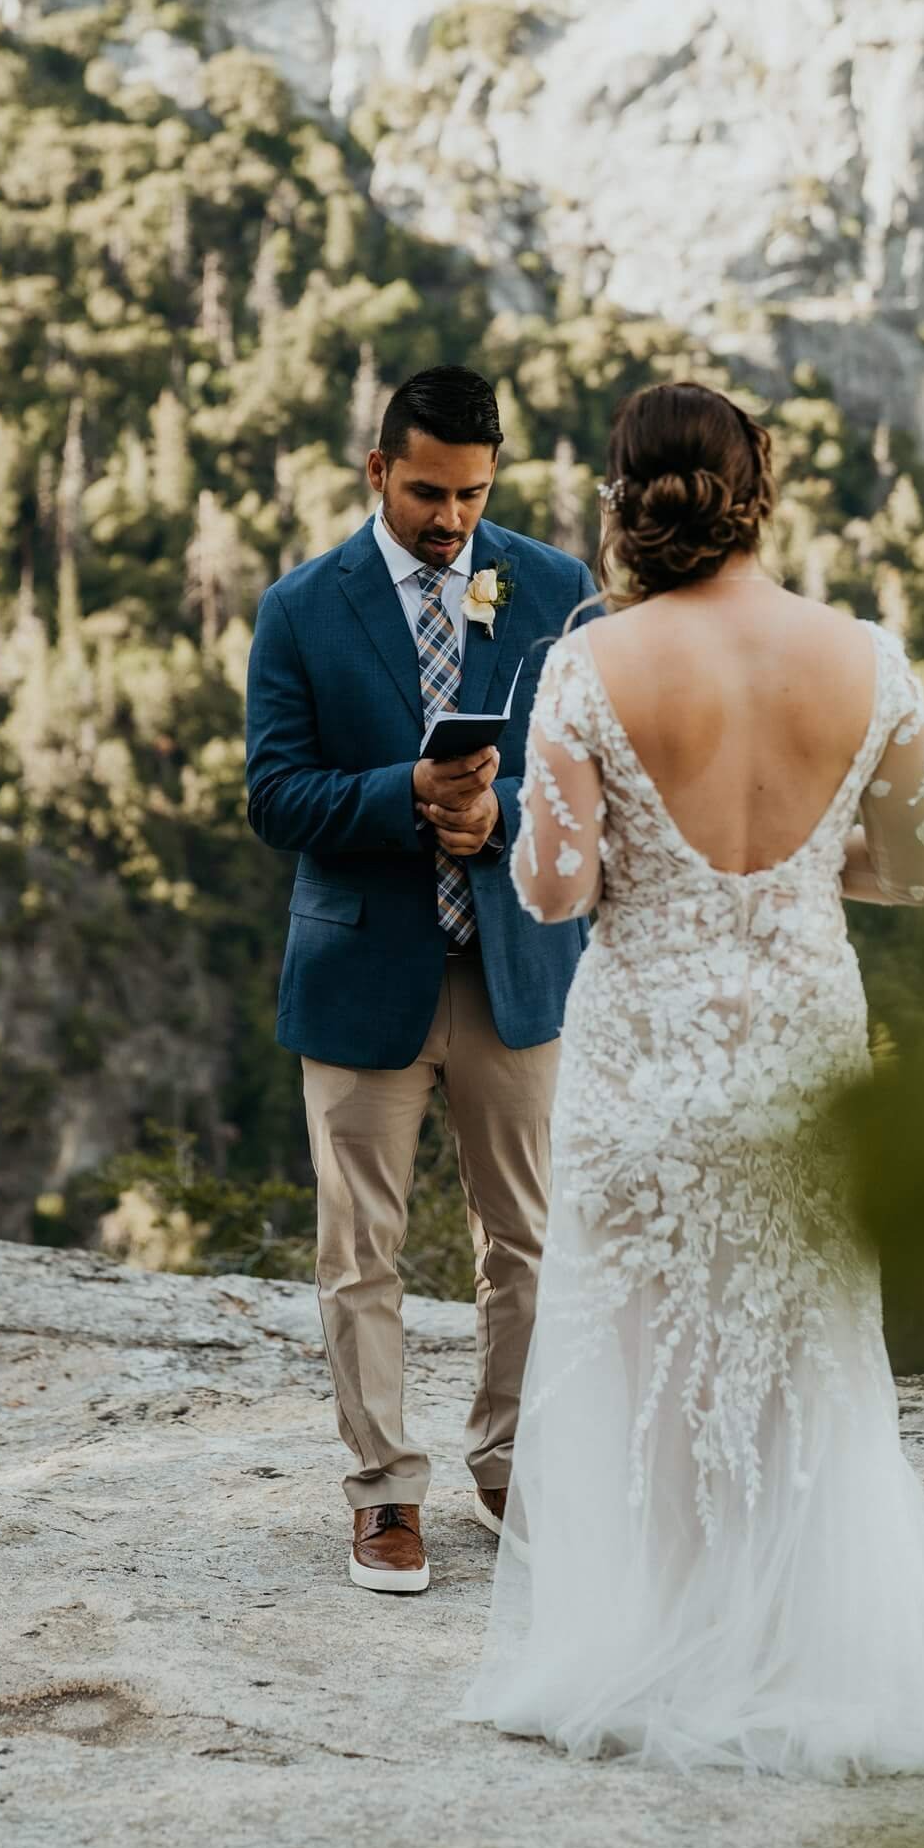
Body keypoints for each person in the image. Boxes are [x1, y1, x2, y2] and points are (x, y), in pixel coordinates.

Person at [460, 380, 924, 1779]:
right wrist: (793, 873)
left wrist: (633, 864)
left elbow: (550, 888)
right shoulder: (868, 656)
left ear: (624, 500)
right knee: (802, 1355)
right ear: (759, 486)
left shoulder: (586, 668)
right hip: (795, 1046)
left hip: (642, 1057)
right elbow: (908, 873)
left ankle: (641, 1633)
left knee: (632, 1349)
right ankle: (801, 1647)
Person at [245, 365, 599, 1594]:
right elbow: (274, 795)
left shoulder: (556, 587)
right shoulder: (300, 608)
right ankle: (385, 1490)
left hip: (517, 968)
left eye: (474, 494)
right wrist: (403, 794)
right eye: (430, 492)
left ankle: (510, 1460)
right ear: (377, 469)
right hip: (362, 974)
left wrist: (493, 819)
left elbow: (587, 783)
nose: (453, 520)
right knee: (362, 1250)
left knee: (531, 1237)